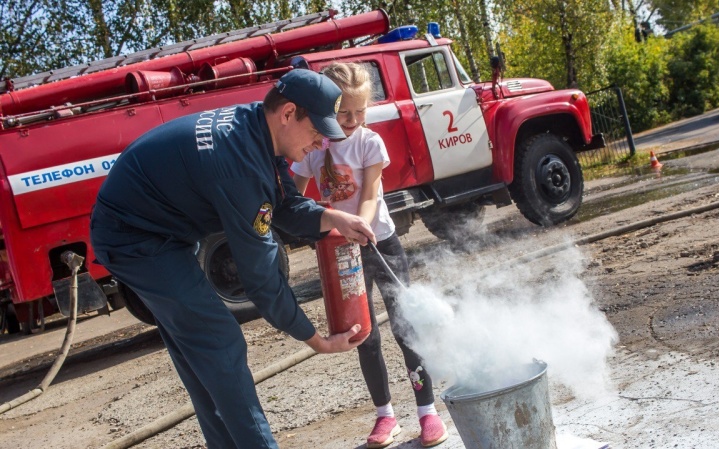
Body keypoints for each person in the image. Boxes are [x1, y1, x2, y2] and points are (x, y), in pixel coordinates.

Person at [90, 69, 375, 449]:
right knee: (219, 341)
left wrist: (331, 216)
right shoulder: (238, 162)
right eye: (317, 131)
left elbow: (285, 202)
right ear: (288, 113)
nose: (322, 142)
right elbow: (261, 275)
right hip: (136, 239)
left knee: (202, 351)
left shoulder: (256, 130)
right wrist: (316, 340)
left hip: (160, 229)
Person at [292, 62, 449, 448]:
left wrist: (358, 229)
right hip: (342, 254)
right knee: (364, 334)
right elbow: (293, 195)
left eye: (360, 111)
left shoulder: (369, 142)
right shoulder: (316, 146)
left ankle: (427, 411)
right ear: (328, 108)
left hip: (381, 243)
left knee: (405, 327)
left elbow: (369, 196)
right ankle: (385, 416)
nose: (352, 119)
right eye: (344, 112)